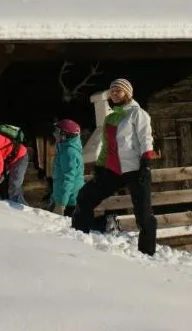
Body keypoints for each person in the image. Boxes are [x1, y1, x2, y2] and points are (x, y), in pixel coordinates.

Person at [72, 78, 157, 256]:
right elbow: (106, 145)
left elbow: (145, 138)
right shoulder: (110, 117)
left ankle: (147, 253)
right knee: (85, 196)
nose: (115, 94)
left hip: (135, 168)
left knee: (143, 213)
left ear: (127, 92)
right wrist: (100, 166)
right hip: (112, 169)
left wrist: (146, 161)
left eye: (118, 90)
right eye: (112, 91)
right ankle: (79, 238)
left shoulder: (137, 114)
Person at [51, 119, 85, 216]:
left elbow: (67, 178)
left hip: (69, 202)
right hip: (64, 198)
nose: (54, 134)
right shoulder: (64, 149)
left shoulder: (69, 152)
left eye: (57, 132)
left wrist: (61, 204)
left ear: (67, 135)